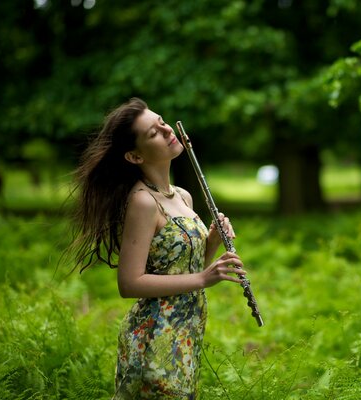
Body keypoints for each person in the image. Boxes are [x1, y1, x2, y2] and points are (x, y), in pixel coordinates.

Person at [71, 97, 246, 399]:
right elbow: (130, 283)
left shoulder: (183, 196)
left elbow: (182, 272)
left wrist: (212, 244)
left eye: (162, 122)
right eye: (153, 132)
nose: (167, 131)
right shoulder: (143, 202)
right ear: (135, 156)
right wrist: (206, 279)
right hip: (155, 338)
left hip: (185, 334)